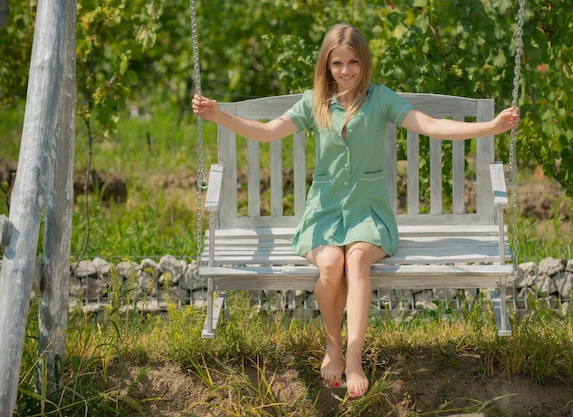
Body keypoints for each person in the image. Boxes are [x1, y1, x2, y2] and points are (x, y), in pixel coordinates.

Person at [192, 23, 519, 398]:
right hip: (324, 212)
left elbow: (429, 125)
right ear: (326, 66)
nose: (345, 71)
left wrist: (490, 127)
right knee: (332, 264)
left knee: (358, 259)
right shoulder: (315, 101)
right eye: (336, 64)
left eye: (352, 62)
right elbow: (268, 131)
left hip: (369, 211)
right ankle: (332, 344)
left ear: (363, 63)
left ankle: (352, 357)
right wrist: (220, 116)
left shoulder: (380, 99)